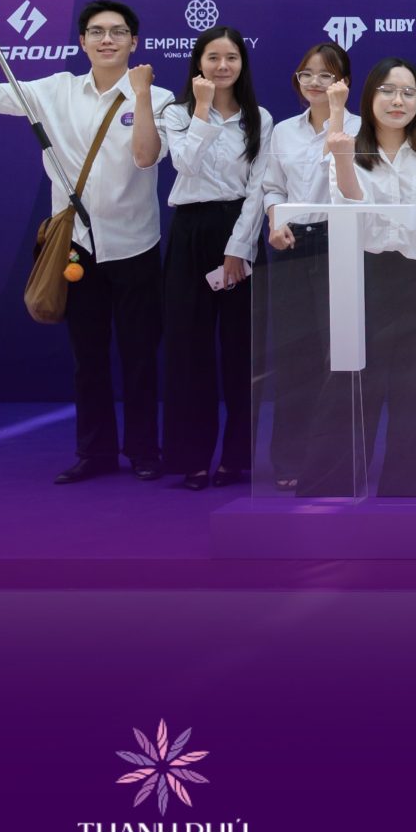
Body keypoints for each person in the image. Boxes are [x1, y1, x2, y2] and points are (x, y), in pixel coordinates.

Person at [0, 0, 169, 484]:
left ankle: (144, 450)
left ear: (134, 42)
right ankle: (95, 452)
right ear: (83, 42)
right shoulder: (55, 90)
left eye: (118, 32)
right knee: (87, 358)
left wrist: (140, 95)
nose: (107, 40)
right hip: (78, 249)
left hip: (136, 245)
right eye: (97, 32)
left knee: (139, 356)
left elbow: (146, 158)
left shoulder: (156, 98)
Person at [328, 59, 416, 498]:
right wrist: (343, 160)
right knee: (356, 384)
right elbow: (346, 210)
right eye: (388, 90)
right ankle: (338, 487)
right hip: (365, 276)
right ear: (369, 96)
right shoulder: (347, 147)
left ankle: (407, 490)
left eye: (409, 93)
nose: (398, 101)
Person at [158, 25, 272, 490]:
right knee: (189, 350)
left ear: (243, 63)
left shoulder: (258, 118)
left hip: (239, 232)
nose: (223, 66)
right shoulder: (176, 112)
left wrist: (237, 249)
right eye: (213, 58)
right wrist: (202, 109)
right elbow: (184, 164)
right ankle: (192, 457)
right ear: (198, 63)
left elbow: (259, 188)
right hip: (190, 232)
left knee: (243, 352)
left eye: (231, 58)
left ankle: (236, 458)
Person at [234, 40, 349, 494]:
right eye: (307, 75)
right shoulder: (283, 131)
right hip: (292, 244)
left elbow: (349, 183)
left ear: (343, 82)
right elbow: (272, 186)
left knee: (340, 357)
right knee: (296, 357)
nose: (315, 83)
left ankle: (336, 457)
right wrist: (276, 219)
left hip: (344, 242)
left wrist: (336, 115)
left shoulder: (361, 127)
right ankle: (290, 458)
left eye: (326, 75)